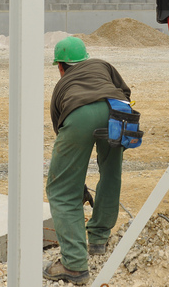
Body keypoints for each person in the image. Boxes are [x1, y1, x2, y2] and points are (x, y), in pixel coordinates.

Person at [43, 37, 132, 285]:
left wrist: (74, 184)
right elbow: (125, 91)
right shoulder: (102, 65)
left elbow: (61, 127)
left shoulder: (62, 87)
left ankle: (73, 265)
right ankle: (98, 238)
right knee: (111, 173)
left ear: (60, 66)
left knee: (61, 191)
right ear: (85, 58)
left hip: (79, 113)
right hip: (117, 110)